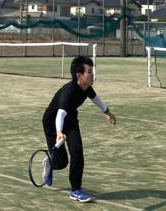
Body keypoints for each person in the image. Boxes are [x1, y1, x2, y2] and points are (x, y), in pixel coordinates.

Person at [41, 55, 116, 203]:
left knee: (77, 151)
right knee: (61, 163)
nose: (93, 75)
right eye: (89, 72)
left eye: (92, 71)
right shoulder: (68, 92)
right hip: (52, 122)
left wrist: (107, 112)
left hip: (70, 120)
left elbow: (96, 98)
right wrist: (59, 132)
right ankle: (50, 162)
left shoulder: (86, 87)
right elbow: (60, 114)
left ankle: (75, 190)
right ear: (79, 75)